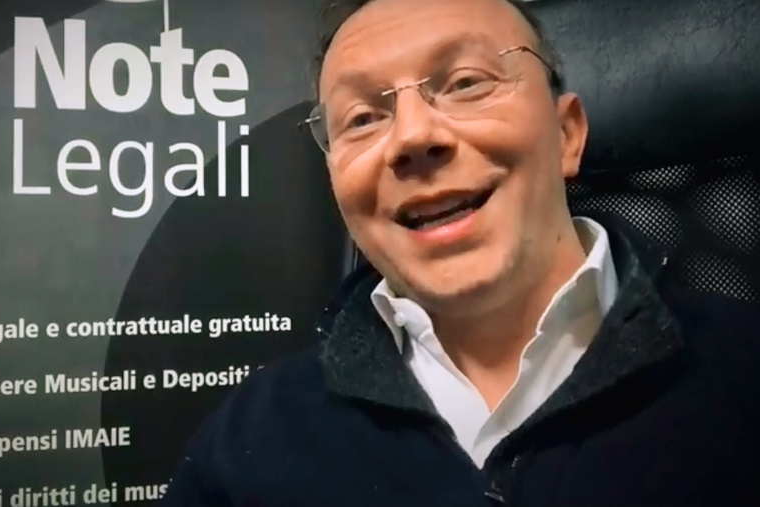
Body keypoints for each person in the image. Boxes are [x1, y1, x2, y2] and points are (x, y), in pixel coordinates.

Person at [161, 0, 760, 505]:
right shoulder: (250, 443)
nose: (413, 136)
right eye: (363, 117)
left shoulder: (740, 377)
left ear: (566, 135)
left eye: (466, 83)